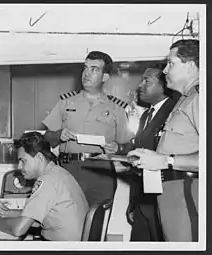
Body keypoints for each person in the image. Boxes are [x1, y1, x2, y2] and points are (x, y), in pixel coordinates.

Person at [127, 39, 200, 242]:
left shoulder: (200, 98)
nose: (166, 70)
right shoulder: (185, 99)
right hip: (171, 192)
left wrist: (166, 160)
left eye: (171, 63)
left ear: (191, 65)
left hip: (187, 191)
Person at [42, 51, 134, 206]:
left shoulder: (117, 108)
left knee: (96, 221)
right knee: (68, 220)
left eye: (94, 69)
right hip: (69, 169)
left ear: (105, 77)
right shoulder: (65, 102)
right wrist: (58, 135)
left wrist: (118, 148)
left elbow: (129, 146)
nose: (86, 73)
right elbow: (46, 139)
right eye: (85, 68)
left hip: (101, 171)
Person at [0, 131, 89, 241]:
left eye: (23, 161)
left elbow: (18, 229)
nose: (19, 166)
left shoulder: (47, 181)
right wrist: (6, 213)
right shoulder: (58, 173)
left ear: (39, 158)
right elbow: (36, 218)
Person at [112, 67, 181, 241]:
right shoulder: (146, 116)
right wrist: (134, 202)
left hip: (164, 198)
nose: (140, 85)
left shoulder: (175, 113)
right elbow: (139, 158)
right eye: (141, 80)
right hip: (143, 198)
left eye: (147, 81)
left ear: (164, 85)